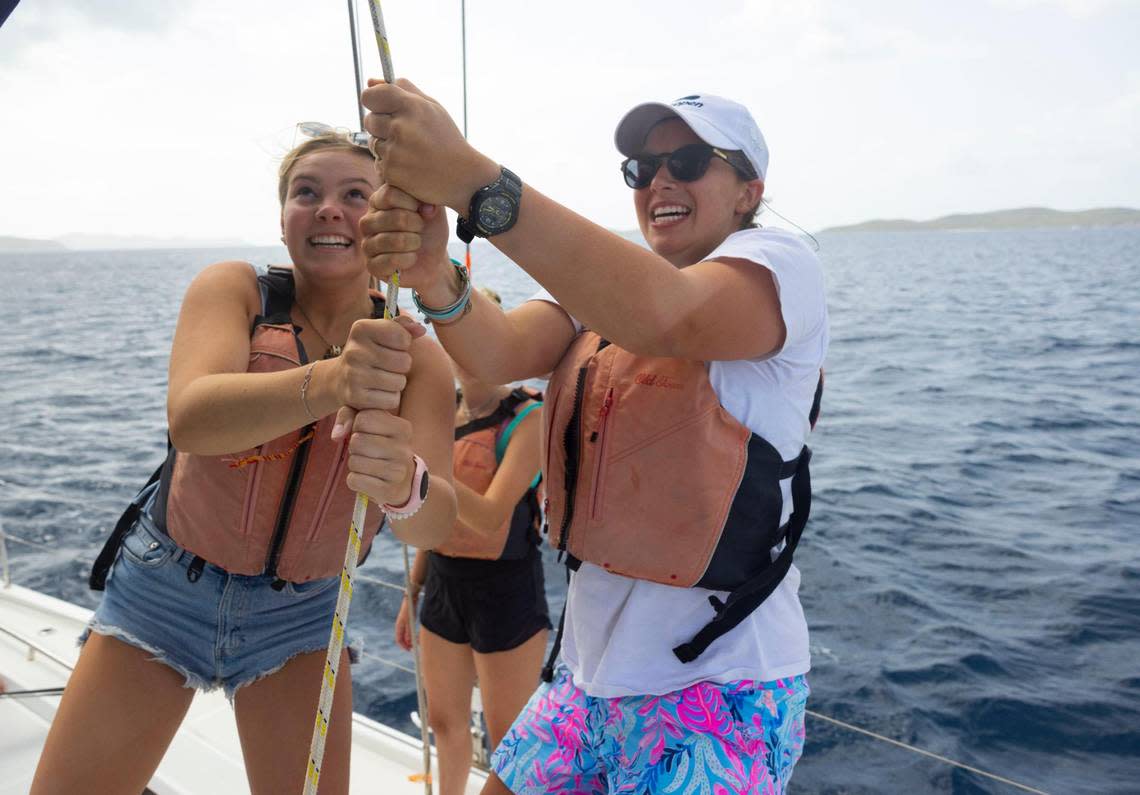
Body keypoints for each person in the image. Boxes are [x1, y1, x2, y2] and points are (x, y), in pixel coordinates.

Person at [359, 84, 828, 794]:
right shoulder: (605, 288)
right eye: (642, 169)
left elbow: (668, 317)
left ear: (747, 191)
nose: (660, 180)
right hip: (586, 679)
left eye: (690, 160)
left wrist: (469, 179)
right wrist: (433, 273)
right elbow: (495, 351)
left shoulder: (781, 267)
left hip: (720, 690)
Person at [30, 129, 458, 795]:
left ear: (389, 220)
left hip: (303, 620)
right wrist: (336, 380)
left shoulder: (417, 355)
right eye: (305, 192)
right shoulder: (233, 289)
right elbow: (193, 418)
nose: (328, 209)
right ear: (283, 216)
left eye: (355, 194)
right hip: (166, 590)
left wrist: (406, 482)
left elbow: (435, 524)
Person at [395, 286, 549, 795]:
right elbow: (432, 516)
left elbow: (489, 516)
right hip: (443, 583)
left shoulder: (528, 419)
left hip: (506, 591)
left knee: (511, 742)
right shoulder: (444, 414)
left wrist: (423, 469)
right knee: (443, 721)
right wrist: (410, 593)